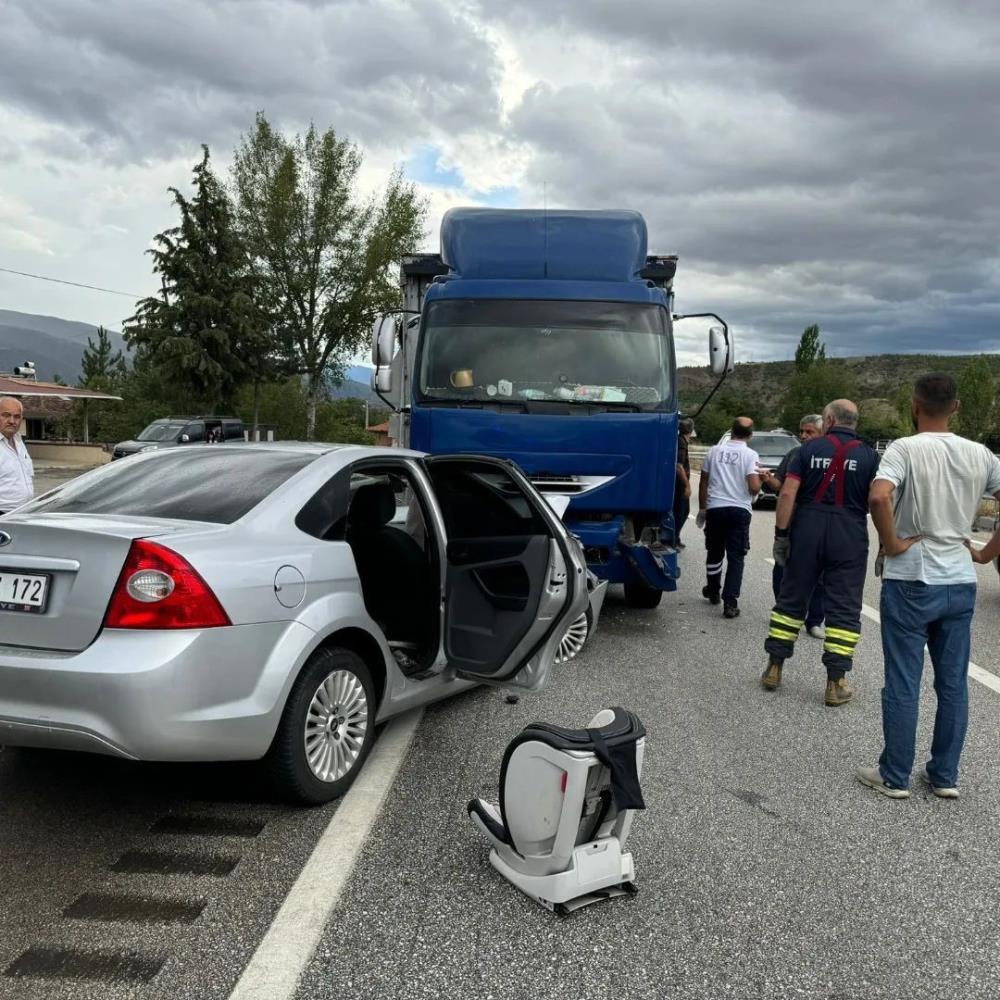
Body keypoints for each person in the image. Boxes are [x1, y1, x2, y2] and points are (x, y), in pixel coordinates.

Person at [857, 374, 1000, 799]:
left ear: (915, 406)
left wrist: (893, 542)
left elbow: (879, 497)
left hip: (913, 578)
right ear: (956, 407)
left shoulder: (904, 448)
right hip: (959, 577)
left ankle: (894, 775)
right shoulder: (981, 454)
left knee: (904, 680)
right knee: (952, 682)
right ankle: (944, 776)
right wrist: (988, 553)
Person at [761, 399, 879, 706]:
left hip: (807, 530)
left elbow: (787, 493)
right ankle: (835, 682)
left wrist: (782, 536)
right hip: (849, 533)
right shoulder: (869, 456)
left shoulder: (806, 451)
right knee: (843, 607)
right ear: (855, 422)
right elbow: (879, 499)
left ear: (829, 419)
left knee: (791, 598)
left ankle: (774, 667)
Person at [760, 414, 827, 637]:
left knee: (821, 573)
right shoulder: (794, 454)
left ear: (823, 432)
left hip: (820, 524)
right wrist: (768, 480)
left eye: (810, 432)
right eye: (802, 431)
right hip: (792, 521)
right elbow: (780, 485)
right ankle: (784, 610)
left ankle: (815, 620)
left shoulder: (832, 457)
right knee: (783, 566)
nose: (804, 436)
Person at [697, 417, 761, 619]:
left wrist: (702, 508)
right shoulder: (750, 455)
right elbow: (753, 487)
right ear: (750, 435)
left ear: (731, 430)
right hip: (739, 511)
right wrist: (761, 481)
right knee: (736, 558)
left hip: (715, 507)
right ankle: (730, 603)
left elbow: (704, 481)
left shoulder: (714, 451)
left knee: (714, 552)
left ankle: (713, 589)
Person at [0, 396, 33, 515]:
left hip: (24, 513)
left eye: (16, 417)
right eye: (6, 415)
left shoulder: (19, 442)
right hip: (3, 516)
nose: (12, 421)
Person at [673, 418, 694, 548]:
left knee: (683, 511)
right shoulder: (681, 443)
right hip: (679, 484)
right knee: (681, 511)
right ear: (691, 430)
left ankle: (676, 537)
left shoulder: (681, 441)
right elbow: (679, 466)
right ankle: (674, 539)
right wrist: (687, 485)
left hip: (678, 483)